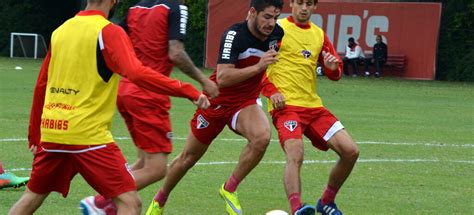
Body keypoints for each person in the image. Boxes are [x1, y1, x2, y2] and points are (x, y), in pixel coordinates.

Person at [8, 0, 210, 214]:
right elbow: (137, 73)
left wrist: (34, 134)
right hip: (88, 137)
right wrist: (188, 90)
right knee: (130, 203)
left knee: (31, 198)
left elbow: (42, 83)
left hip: (52, 131)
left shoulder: (61, 30)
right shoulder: (108, 32)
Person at [79, 0, 219, 213]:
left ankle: (108, 205)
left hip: (126, 90)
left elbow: (116, 37)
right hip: (149, 94)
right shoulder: (175, 7)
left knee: (144, 161)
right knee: (156, 168)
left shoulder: (137, 7)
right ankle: (99, 202)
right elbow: (176, 53)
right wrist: (204, 80)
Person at [145, 0, 284, 214]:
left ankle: (229, 189)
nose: (271, 23)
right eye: (267, 17)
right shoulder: (234, 35)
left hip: (245, 102)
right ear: (253, 12)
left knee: (262, 137)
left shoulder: (277, 35)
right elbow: (223, 77)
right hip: (217, 100)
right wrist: (259, 66)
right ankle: (159, 200)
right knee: (188, 158)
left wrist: (269, 87)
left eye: (276, 17)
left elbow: (262, 70)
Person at [262, 0, 360, 214]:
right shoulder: (276, 29)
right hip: (285, 106)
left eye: (309, 3)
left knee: (351, 151)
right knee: (295, 154)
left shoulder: (319, 34)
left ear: (315, 6)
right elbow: (256, 64)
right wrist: (271, 91)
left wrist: (332, 68)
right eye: (299, 2)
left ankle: (326, 202)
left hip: (314, 107)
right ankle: (297, 208)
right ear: (292, 4)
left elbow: (336, 71)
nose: (304, 8)